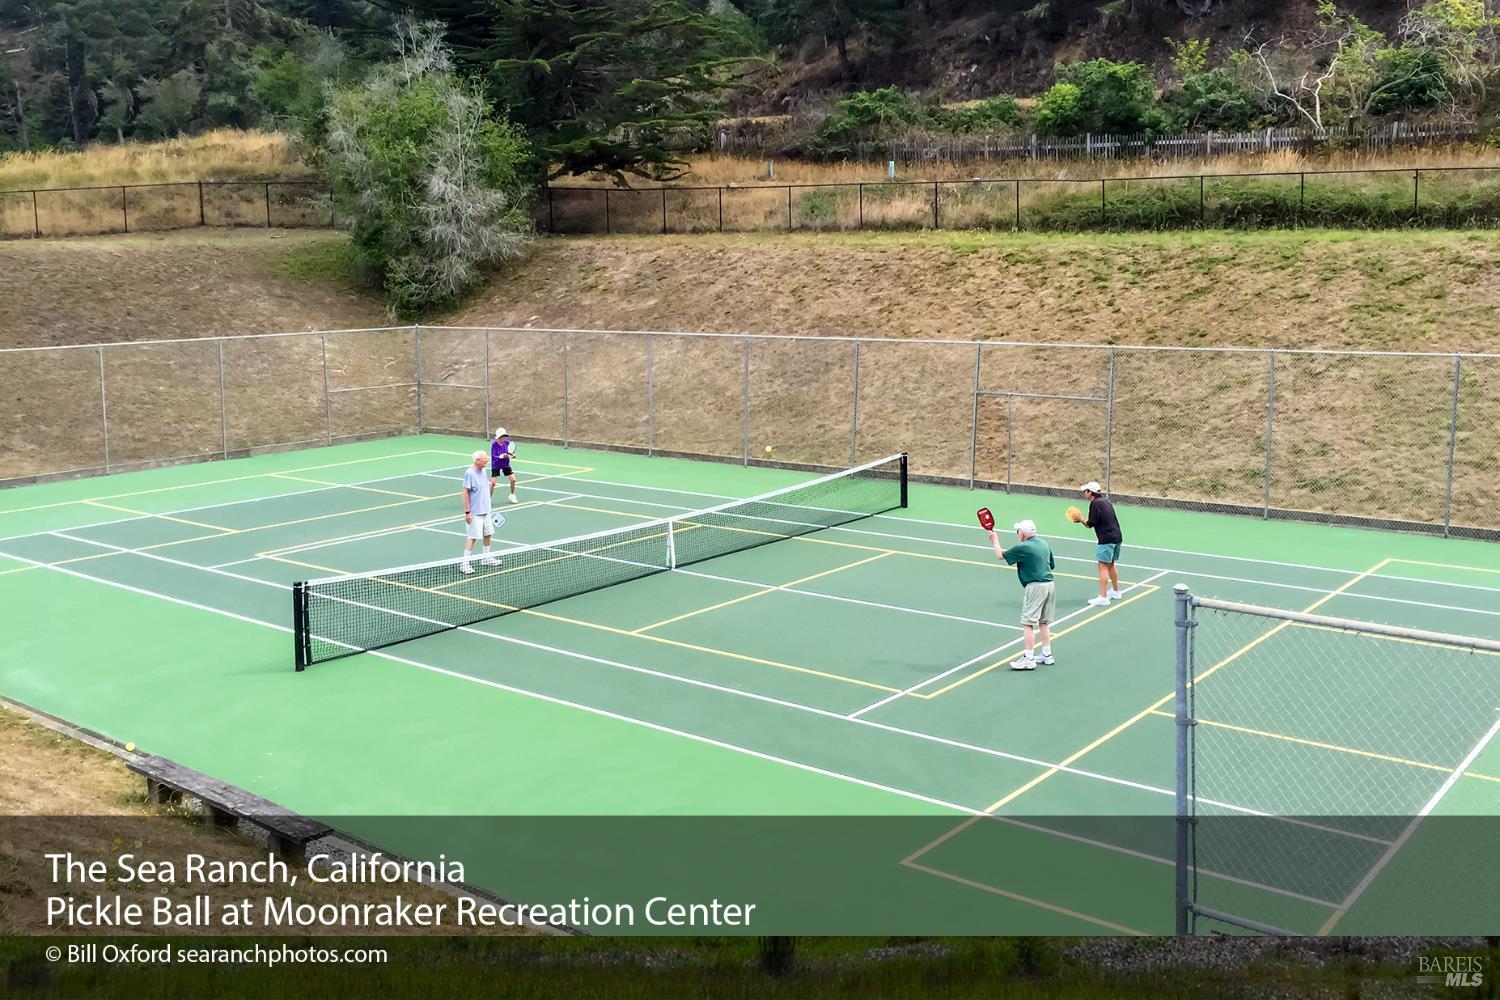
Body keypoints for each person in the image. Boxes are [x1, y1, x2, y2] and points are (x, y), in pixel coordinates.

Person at [987, 519, 1056, 671]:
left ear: (1023, 534)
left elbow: (1000, 555)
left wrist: (995, 540)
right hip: (1049, 585)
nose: (1017, 533)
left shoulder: (1023, 547)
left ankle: (1029, 658)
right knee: (1043, 622)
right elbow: (1051, 565)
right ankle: (1046, 654)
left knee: (1028, 623)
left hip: (1035, 587)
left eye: (1018, 531)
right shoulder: (1044, 544)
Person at [1071, 480, 1123, 608]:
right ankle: (1116, 592)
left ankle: (1103, 597)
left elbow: (1090, 524)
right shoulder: (1105, 501)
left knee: (1102, 566)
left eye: (1085, 491)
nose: (1084, 493)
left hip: (1106, 539)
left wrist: (1080, 519)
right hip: (1117, 537)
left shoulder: (1094, 504)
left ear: (1090, 492)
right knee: (1110, 564)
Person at [460, 450, 499, 574]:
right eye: (484, 459)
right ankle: (464, 564)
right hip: (475, 512)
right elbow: (465, 492)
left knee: (488, 533)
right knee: (472, 537)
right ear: (477, 460)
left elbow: (485, 488)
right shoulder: (469, 473)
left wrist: (491, 487)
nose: (487, 461)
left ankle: (486, 558)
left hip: (486, 511)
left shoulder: (484, 471)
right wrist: (467, 512)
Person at [491, 427, 519, 504]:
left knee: (513, 479)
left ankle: (512, 495)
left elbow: (510, 453)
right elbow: (493, 456)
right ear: (498, 437)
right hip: (496, 464)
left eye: (504, 436)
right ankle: (488, 499)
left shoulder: (508, 443)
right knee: (493, 483)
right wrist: (502, 456)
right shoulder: (494, 445)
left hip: (505, 464)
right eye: (502, 437)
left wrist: (512, 455)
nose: (504, 438)